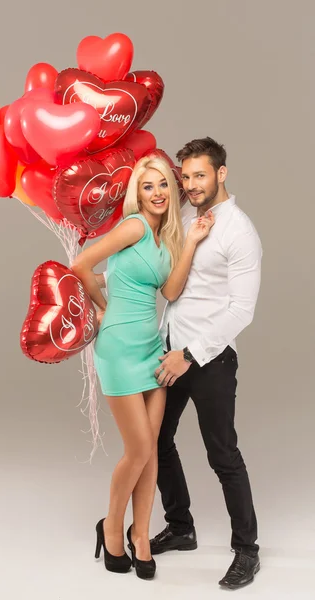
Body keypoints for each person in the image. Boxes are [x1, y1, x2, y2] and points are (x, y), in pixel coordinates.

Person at [71, 155, 214, 580]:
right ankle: (112, 527)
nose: (157, 193)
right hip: (118, 348)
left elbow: (170, 290)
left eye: (163, 186)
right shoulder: (132, 226)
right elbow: (81, 265)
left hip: (153, 349)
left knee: (150, 449)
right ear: (138, 193)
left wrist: (189, 244)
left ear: (171, 193)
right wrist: (105, 308)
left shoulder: (167, 239)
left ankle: (142, 536)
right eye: (148, 186)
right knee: (137, 450)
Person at [150, 137, 263, 590]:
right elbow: (174, 291)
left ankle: (247, 550)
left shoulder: (240, 232)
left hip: (208, 358)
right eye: (186, 177)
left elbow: (242, 310)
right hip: (169, 349)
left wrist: (190, 354)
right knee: (155, 442)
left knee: (223, 455)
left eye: (200, 175)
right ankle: (181, 527)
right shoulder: (186, 219)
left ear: (221, 173)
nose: (192, 185)